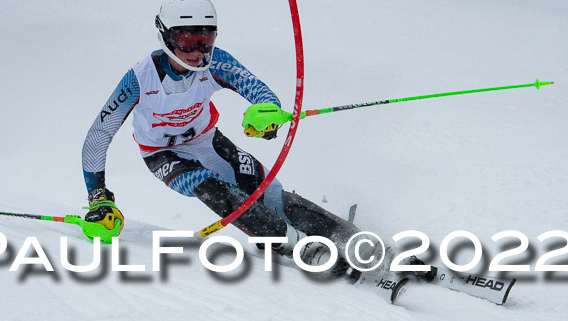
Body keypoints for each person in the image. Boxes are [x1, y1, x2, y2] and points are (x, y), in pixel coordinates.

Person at [81, 0, 367, 276]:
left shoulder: (214, 62)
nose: (196, 51)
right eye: (186, 41)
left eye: (205, 40)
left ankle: (351, 239)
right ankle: (299, 247)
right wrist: (98, 197)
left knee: (269, 193)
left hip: (208, 142)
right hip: (163, 155)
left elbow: (257, 90)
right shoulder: (139, 79)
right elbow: (99, 134)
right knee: (211, 187)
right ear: (165, 37)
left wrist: (265, 113)